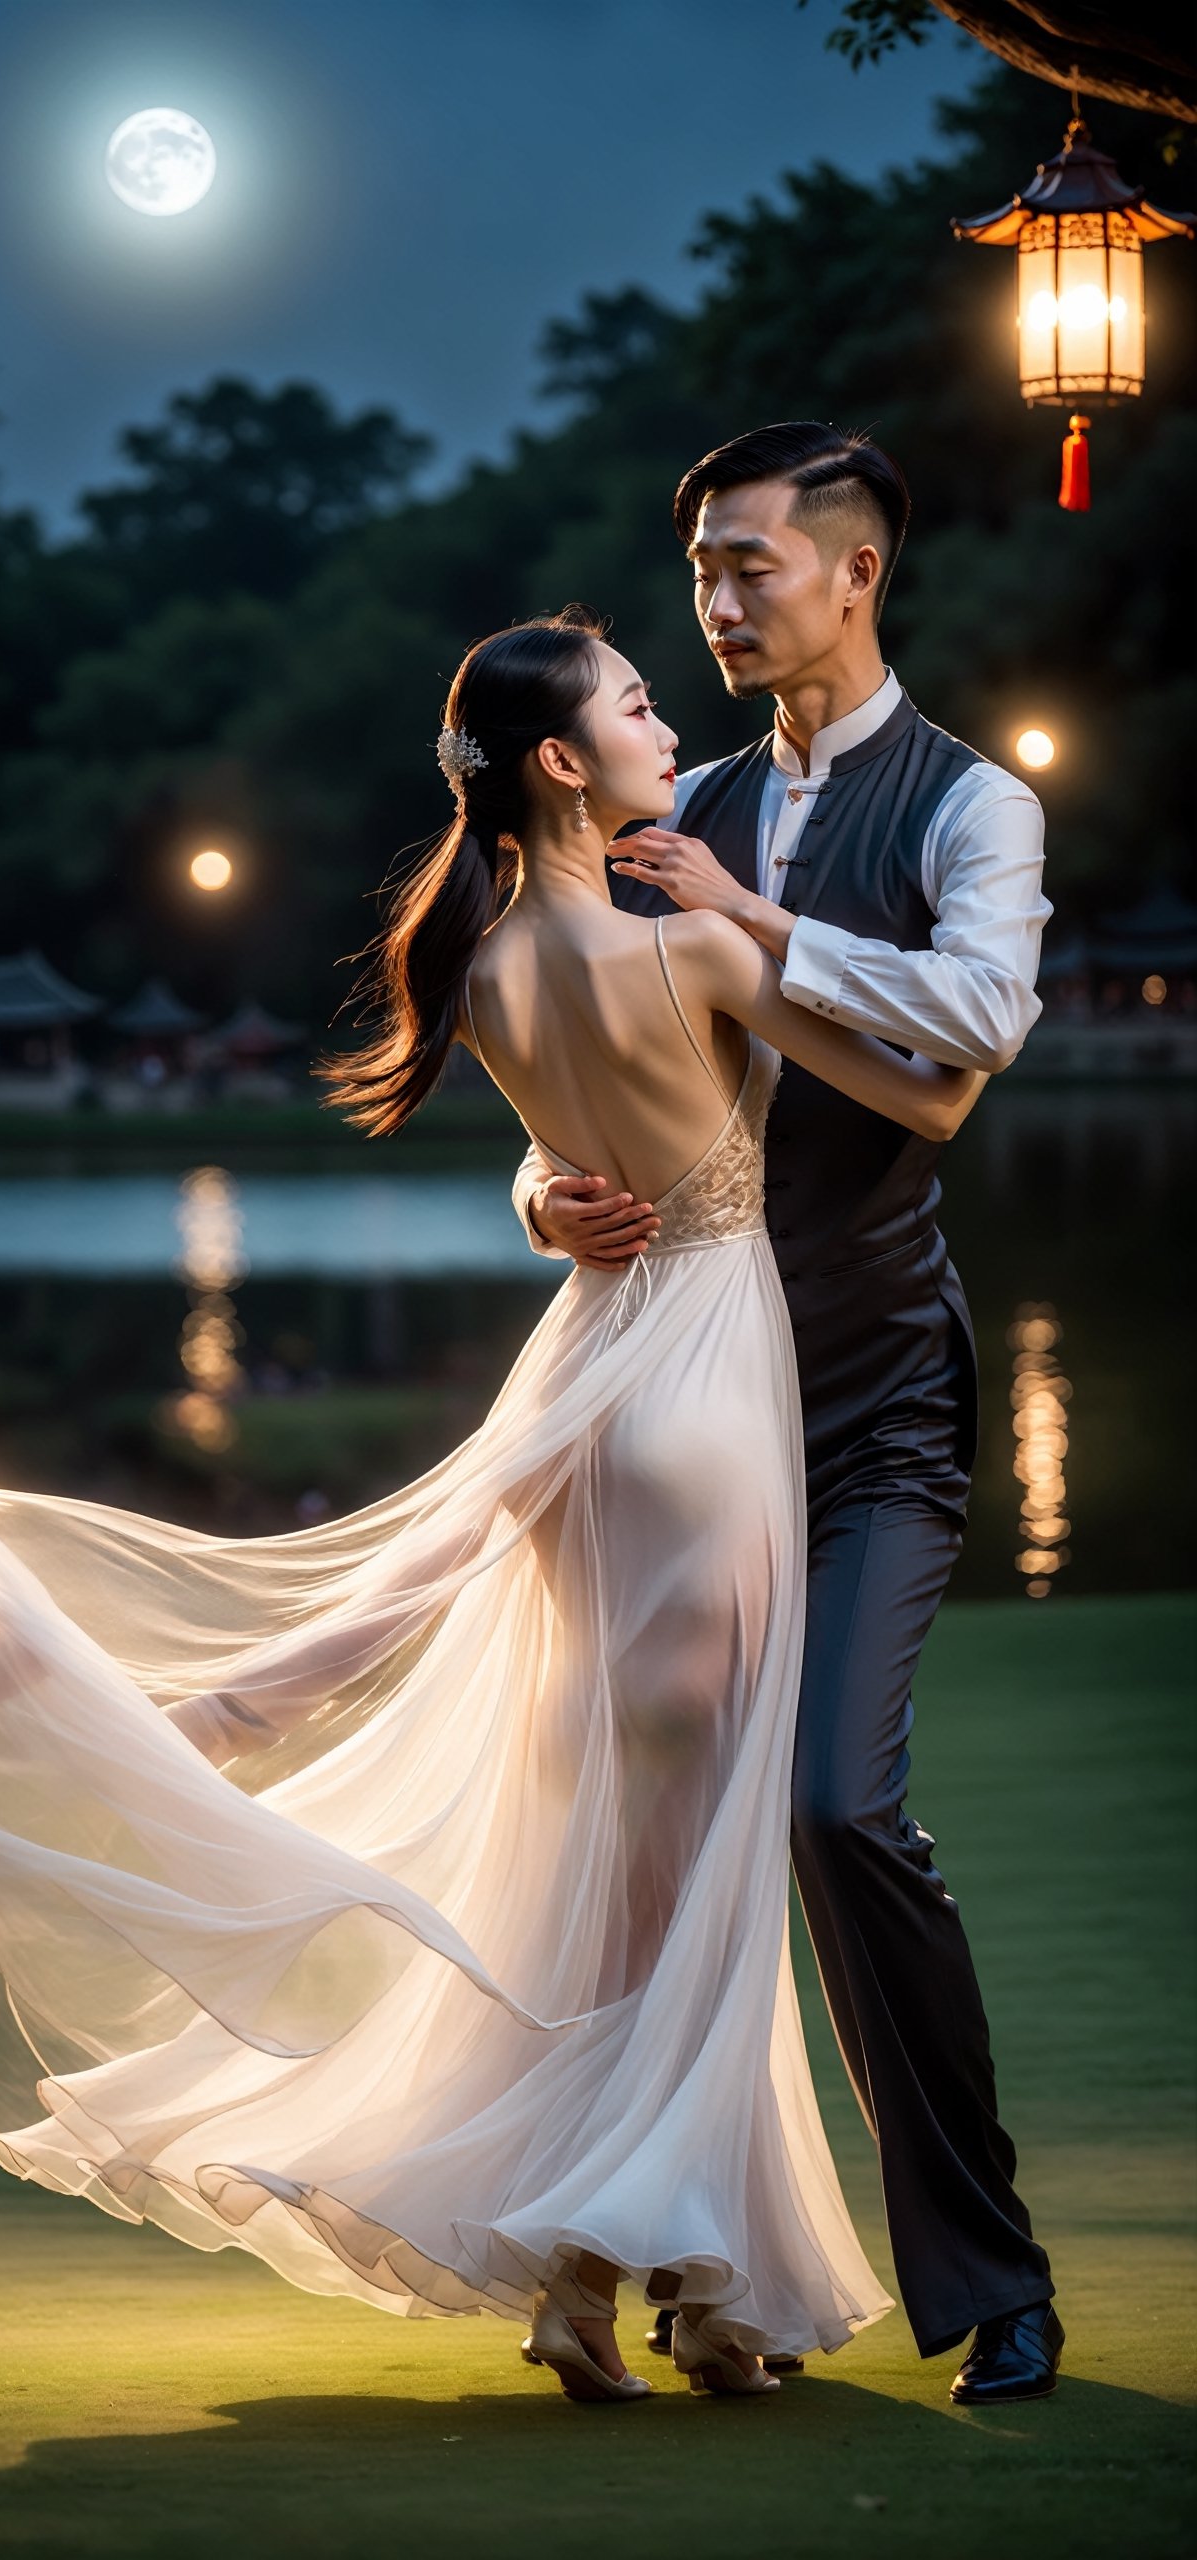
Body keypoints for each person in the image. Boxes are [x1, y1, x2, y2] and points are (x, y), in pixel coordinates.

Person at [0, 613, 978, 2408]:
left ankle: (678, 2278)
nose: (672, 721)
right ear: (566, 765)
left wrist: (545, 1192)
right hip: (707, 1396)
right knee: (703, 1862)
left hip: (592, 1372)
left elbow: (561, 1156)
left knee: (613, 1850)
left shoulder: (487, 962)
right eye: (639, 707)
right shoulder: (694, 954)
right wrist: (754, 926)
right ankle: (618, 2265)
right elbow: (935, 1093)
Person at [512, 424, 1061, 2406]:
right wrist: (539, 1193)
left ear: (856, 571)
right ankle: (679, 2260)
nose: (720, 603)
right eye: (702, 573)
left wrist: (745, 924)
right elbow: (578, 1056)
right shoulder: (678, 791)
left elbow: (968, 1037)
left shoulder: (972, 804)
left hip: (876, 1399)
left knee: (835, 1802)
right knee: (662, 1840)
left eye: (751, 565)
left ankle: (991, 2273)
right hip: (673, 1406)